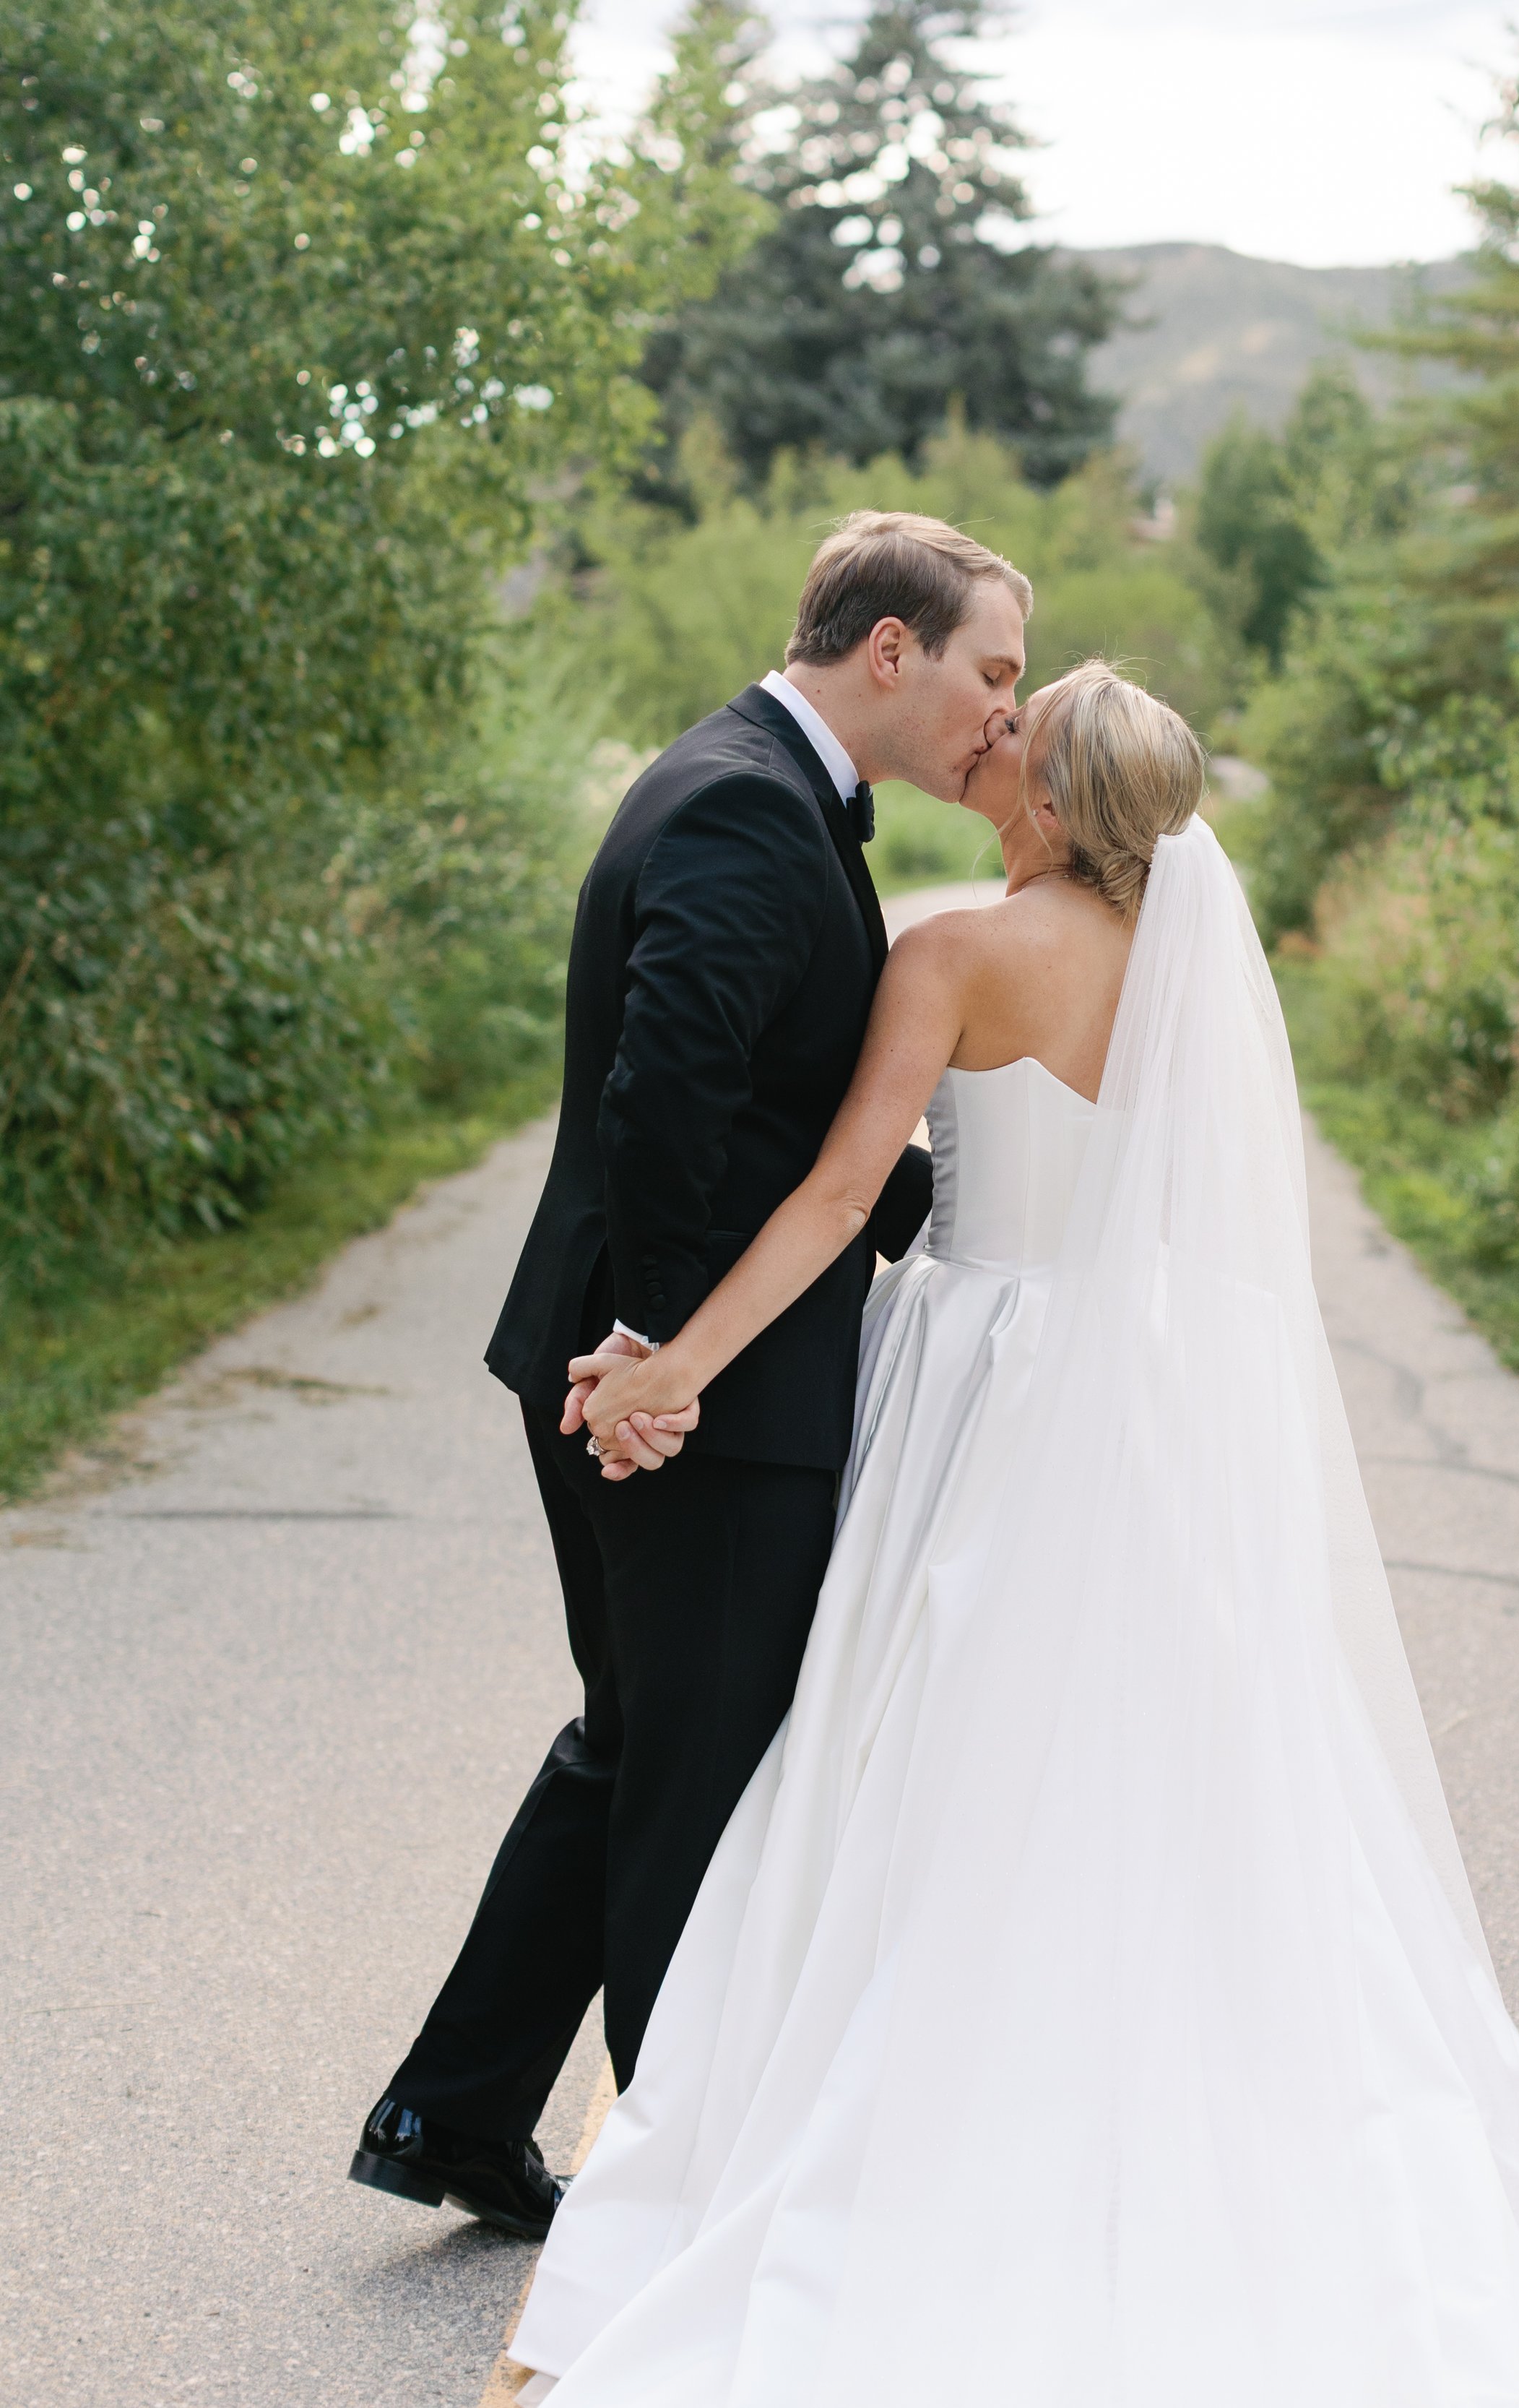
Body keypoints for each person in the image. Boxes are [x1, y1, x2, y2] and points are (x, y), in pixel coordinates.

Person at [499, 663, 1519, 2404]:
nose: (988, 740)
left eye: (1012, 740)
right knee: (1185, 1755)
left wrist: (673, 1362)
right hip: (1150, 1389)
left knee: (938, 1753)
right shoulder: (1186, 965)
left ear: (1048, 804)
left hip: (981, 1381)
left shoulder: (953, 953)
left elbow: (834, 1202)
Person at [347, 513, 1030, 2240]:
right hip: (678, 1383)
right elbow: (664, 1101)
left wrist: (892, 1191)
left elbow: (753, 1095)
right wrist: (660, 1361)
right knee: (696, 1769)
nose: (997, 714)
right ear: (893, 650)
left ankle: (454, 2108)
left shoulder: (756, 780)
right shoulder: (743, 802)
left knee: (639, 1734)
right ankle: (672, 2176)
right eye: (989, 670)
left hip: (659, 1360)